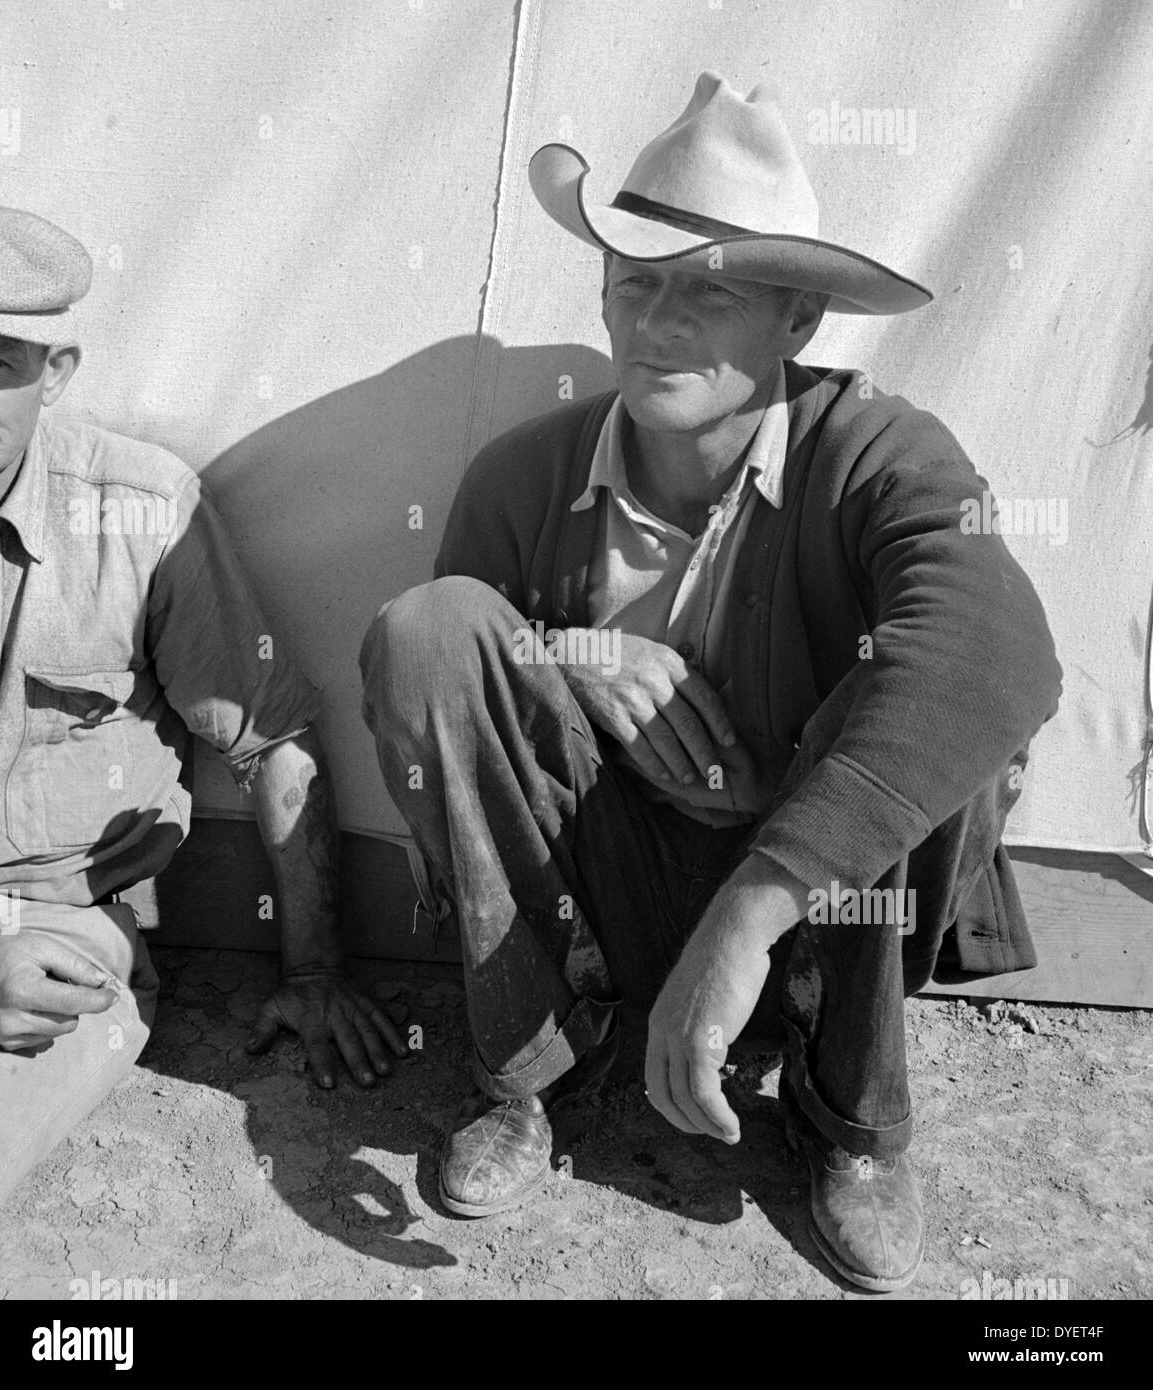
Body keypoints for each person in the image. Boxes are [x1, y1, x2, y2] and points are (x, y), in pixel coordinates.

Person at [360, 73, 1062, 1291]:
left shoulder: (879, 451)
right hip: (604, 894)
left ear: (795, 324)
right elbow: (449, 672)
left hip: (814, 929)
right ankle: (532, 1070)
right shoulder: (522, 477)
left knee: (931, 706)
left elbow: (999, 649)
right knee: (423, 628)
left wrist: (749, 918)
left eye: (711, 291)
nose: (658, 322)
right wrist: (576, 653)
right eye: (635, 283)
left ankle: (848, 1119)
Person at [0, 202, 406, 1225]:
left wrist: (313, 970)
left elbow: (271, 741)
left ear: (56, 372)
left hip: (51, 923)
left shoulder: (139, 511)